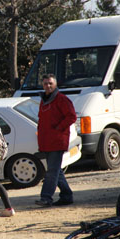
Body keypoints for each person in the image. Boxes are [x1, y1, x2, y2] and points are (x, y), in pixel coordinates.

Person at [35, 74, 76, 207]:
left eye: (50, 83)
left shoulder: (62, 99)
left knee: (52, 171)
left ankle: (46, 198)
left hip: (57, 141)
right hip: (46, 142)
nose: (48, 86)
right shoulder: (44, 99)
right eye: (46, 83)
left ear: (55, 84)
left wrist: (59, 128)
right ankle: (66, 195)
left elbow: (72, 116)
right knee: (56, 170)